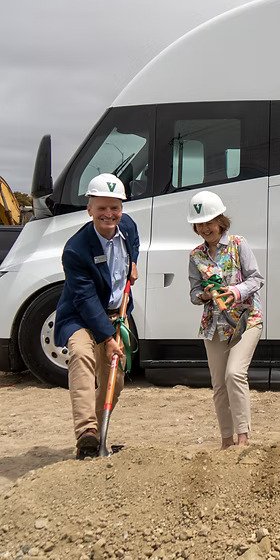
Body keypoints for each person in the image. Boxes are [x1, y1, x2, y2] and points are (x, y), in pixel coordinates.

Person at [54, 173, 139, 459]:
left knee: (115, 376)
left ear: (121, 209)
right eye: (101, 208)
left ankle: (101, 435)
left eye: (114, 207)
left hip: (117, 313)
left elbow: (135, 240)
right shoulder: (76, 250)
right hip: (81, 315)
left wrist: (134, 264)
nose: (109, 214)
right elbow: (85, 298)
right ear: (89, 209)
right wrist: (106, 337)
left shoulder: (126, 226)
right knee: (81, 355)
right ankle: (87, 432)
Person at [187, 191, 264, 449]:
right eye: (200, 223)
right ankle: (226, 441)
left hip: (246, 321)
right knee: (219, 384)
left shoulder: (238, 244)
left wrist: (235, 291)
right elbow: (193, 293)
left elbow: (256, 279)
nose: (206, 228)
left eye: (210, 221)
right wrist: (205, 294)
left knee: (234, 374)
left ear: (221, 220)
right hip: (214, 327)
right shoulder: (196, 255)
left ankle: (243, 438)